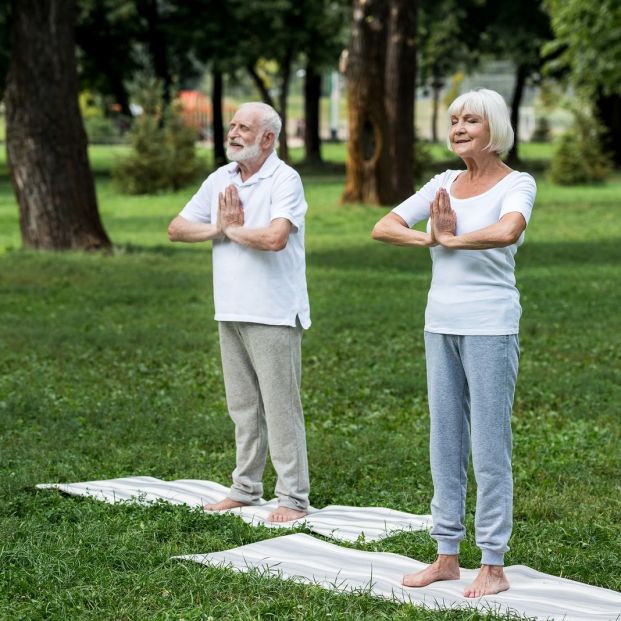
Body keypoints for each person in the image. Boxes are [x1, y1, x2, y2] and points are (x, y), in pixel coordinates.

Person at [372, 89, 536, 597]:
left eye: (472, 120)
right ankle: (446, 555)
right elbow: (384, 227)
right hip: (439, 324)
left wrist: (452, 239)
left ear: (495, 130)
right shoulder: (443, 182)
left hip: (491, 325)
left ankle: (493, 563)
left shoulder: (518, 183)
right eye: (455, 120)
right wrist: (429, 238)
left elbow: (508, 230)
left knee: (489, 443)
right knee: (444, 439)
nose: (460, 127)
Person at [168, 102, 311, 523]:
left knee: (280, 407)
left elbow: (275, 238)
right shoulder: (221, 178)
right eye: (232, 125)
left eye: (244, 127)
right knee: (243, 406)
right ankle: (246, 488)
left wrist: (232, 230)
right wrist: (219, 228)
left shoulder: (285, 179)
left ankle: (293, 498)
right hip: (229, 309)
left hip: (273, 312)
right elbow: (177, 229)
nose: (233, 133)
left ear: (268, 138)